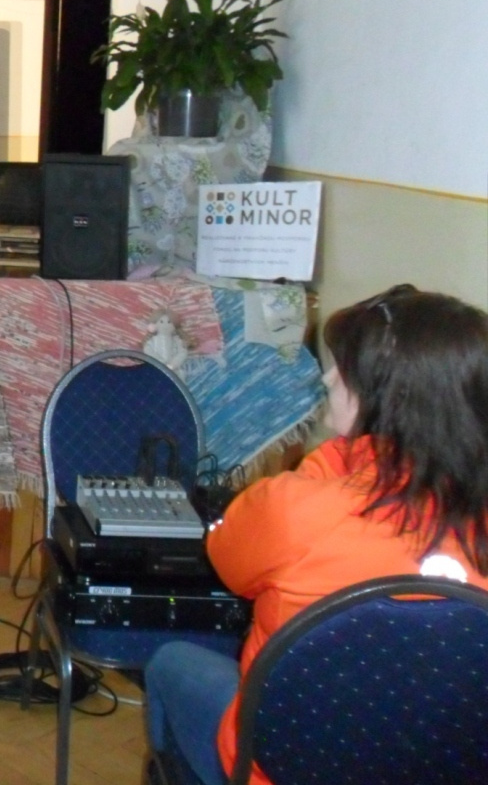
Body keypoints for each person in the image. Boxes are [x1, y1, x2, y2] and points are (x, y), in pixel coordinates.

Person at [144, 285, 488, 785]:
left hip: (281, 771)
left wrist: (336, 456)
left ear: (388, 398)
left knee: (171, 662)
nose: (327, 377)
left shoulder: (296, 507)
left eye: (343, 369)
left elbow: (225, 557)